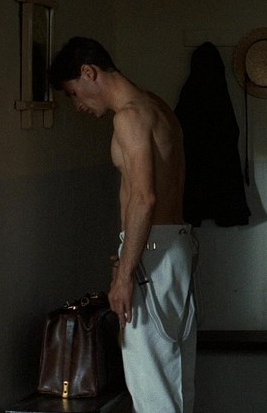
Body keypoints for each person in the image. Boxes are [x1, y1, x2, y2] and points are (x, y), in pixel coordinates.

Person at [49, 37, 197, 413]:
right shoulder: (155, 106)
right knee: (172, 376)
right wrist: (127, 252)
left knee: (152, 385)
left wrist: (125, 275)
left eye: (73, 93)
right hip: (170, 247)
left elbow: (144, 198)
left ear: (89, 72)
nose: (78, 105)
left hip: (154, 252)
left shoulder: (129, 117)